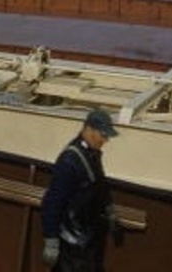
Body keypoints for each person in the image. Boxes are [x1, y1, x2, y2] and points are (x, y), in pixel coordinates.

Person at [40, 109, 119, 270]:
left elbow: (100, 184)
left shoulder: (92, 154)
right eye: (103, 135)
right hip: (72, 242)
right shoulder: (70, 161)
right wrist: (51, 241)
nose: (106, 140)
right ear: (88, 130)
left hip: (89, 237)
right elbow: (53, 201)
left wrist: (110, 211)